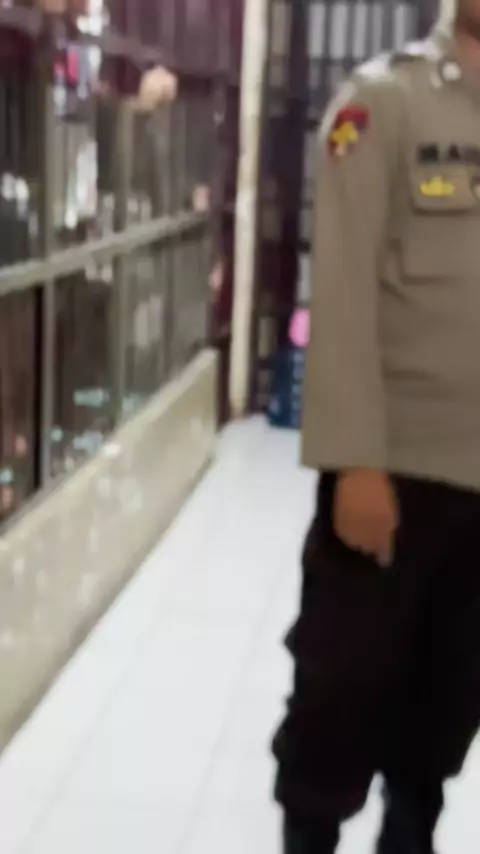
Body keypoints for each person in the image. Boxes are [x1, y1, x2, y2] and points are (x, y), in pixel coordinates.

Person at [272, 6, 480, 854]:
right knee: (340, 690)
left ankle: (411, 834)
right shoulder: (383, 103)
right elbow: (343, 289)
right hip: (395, 469)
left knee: (449, 700)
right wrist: (355, 460)